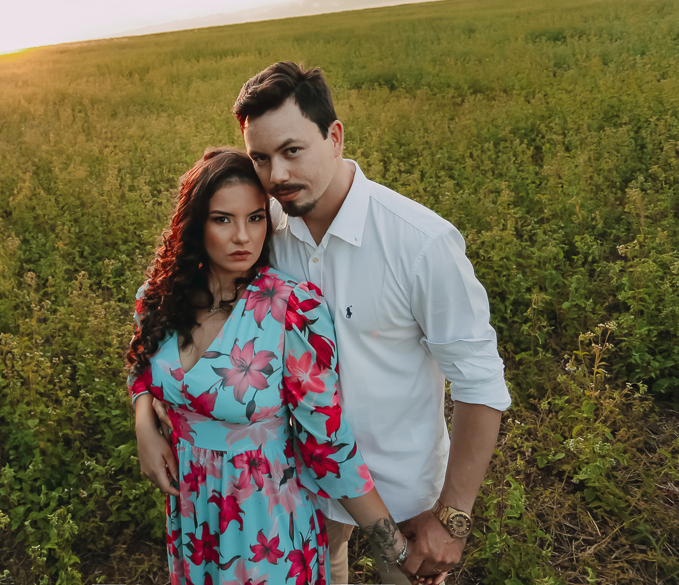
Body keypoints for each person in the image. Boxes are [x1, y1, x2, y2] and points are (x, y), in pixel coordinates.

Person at [231, 62, 513, 584]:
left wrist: (452, 519)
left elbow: (480, 382)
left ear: (334, 137)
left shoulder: (420, 243)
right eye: (261, 159)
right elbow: (180, 296)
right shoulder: (261, 233)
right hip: (308, 481)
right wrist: (145, 406)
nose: (277, 177)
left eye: (293, 151)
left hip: (406, 494)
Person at [126, 147, 412, 585]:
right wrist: (144, 422)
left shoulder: (289, 308)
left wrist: (393, 545)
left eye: (255, 218)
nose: (243, 236)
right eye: (223, 219)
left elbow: (327, 442)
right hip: (193, 516)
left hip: (267, 525)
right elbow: (141, 365)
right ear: (194, 224)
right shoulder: (158, 298)